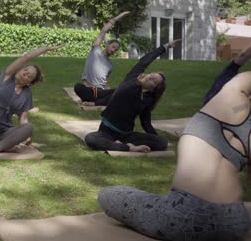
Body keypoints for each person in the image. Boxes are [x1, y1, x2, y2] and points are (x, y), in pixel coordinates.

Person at [98, 47, 251, 240]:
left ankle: (128, 148)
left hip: (185, 218)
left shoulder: (232, 93)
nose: (151, 77)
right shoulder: (130, 82)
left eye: (155, 80)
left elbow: (242, 63)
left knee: (108, 194)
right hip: (236, 222)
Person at [0, 45, 65, 155]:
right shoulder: (6, 77)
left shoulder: (26, 94)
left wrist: (27, 137)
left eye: (29, 75)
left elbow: (23, 119)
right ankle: (5, 147)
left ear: (29, 83)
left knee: (29, 127)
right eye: (25, 69)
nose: (25, 73)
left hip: (5, 133)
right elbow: (26, 57)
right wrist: (45, 49)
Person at [84, 40, 181, 153]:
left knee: (162, 142)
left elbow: (146, 123)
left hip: (126, 135)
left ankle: (122, 144)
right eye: (151, 75)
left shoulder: (148, 100)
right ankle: (129, 148)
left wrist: (155, 138)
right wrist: (165, 47)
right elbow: (145, 61)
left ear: (153, 89)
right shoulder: (132, 78)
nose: (150, 77)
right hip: (106, 131)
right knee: (90, 139)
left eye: (154, 80)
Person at [73, 11, 130, 106]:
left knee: (119, 91)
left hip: (101, 91)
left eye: (116, 50)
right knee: (78, 87)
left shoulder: (110, 65)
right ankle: (97, 101)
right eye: (113, 47)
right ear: (108, 44)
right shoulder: (95, 50)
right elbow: (103, 31)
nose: (113, 50)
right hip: (90, 89)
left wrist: (108, 89)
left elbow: (105, 81)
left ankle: (94, 101)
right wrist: (119, 17)